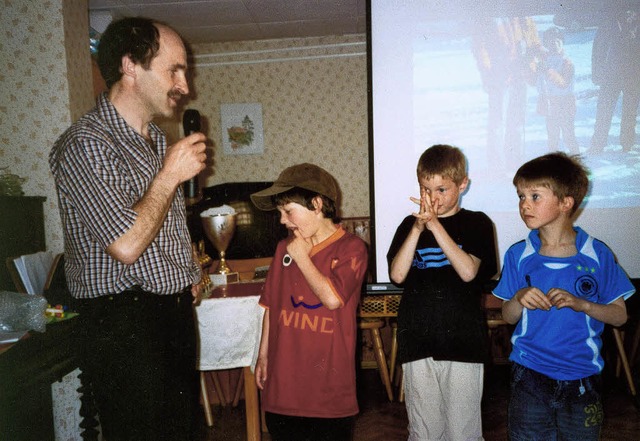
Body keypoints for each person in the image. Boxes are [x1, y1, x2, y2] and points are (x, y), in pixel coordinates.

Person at [49, 17, 207, 441]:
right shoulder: (84, 144)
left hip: (169, 316)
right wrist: (170, 175)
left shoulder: (156, 140)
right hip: (123, 324)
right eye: (174, 69)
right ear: (130, 66)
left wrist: (189, 270)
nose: (185, 85)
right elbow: (126, 244)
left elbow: (164, 223)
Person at [493, 152, 636, 440]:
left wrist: (582, 304)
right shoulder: (518, 254)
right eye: (521, 196)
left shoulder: (597, 254)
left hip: (582, 376)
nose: (524, 205)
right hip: (529, 375)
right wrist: (519, 298)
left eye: (535, 196)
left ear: (565, 202)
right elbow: (506, 315)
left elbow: (620, 316)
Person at [250, 163, 368, 441]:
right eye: (280, 213)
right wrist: (263, 356)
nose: (282, 220)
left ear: (316, 204)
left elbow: (332, 299)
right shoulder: (284, 249)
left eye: (288, 211)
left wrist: (302, 257)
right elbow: (271, 307)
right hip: (284, 386)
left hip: (328, 393)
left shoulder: (352, 248)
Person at [387, 145, 498, 441]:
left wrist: (435, 227)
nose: (433, 199)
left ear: (463, 185)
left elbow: (468, 271)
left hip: (463, 342)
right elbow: (397, 275)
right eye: (426, 189)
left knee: (463, 432)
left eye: (442, 189)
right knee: (423, 432)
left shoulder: (478, 223)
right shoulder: (408, 226)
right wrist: (417, 229)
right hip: (418, 341)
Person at [590, 7, 640, 154]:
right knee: (604, 110)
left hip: (634, 74)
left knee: (630, 111)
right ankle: (598, 144)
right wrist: (596, 71)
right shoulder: (611, 16)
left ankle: (627, 144)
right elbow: (598, 46)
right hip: (610, 73)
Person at [535, 26, 580, 154]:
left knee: (568, 135)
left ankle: (576, 161)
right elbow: (538, 85)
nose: (554, 45)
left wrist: (547, 71)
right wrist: (534, 69)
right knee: (552, 137)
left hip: (565, 103)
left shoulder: (567, 62)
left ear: (562, 43)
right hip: (550, 104)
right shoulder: (544, 61)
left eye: (557, 42)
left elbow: (564, 83)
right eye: (551, 42)